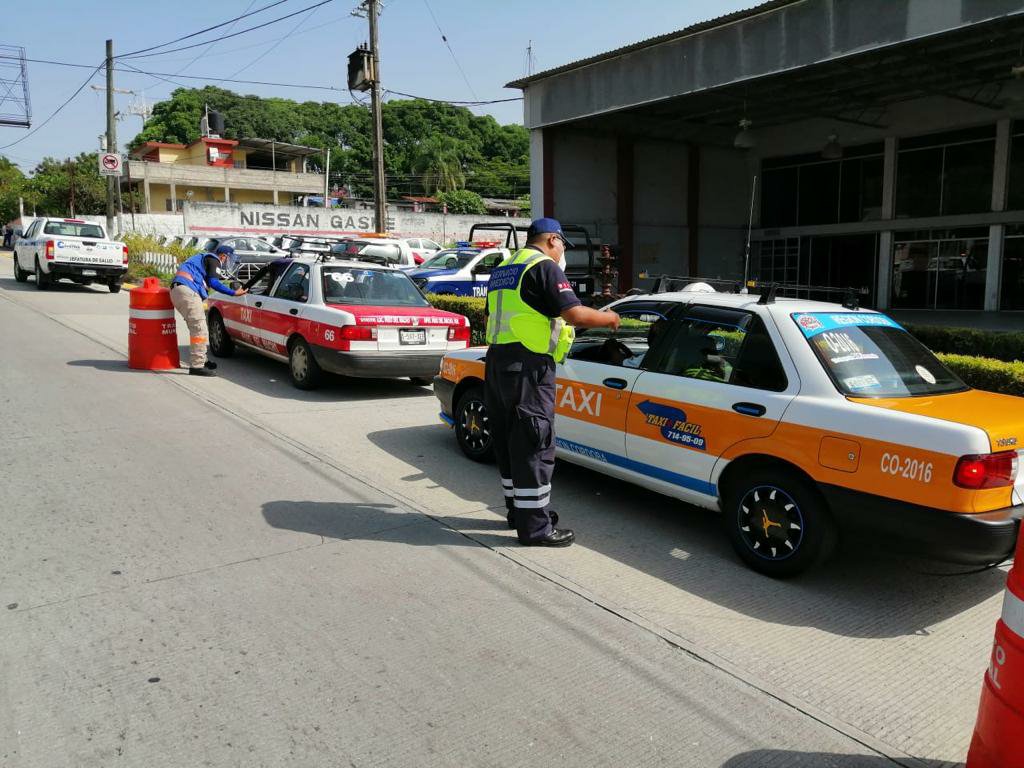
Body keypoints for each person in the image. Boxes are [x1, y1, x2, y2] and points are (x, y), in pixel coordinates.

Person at [485, 217, 620, 548]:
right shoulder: (544, 266)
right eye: (562, 245)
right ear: (552, 240)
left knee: (509, 442)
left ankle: (519, 513)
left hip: (497, 363)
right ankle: (535, 528)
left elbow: (494, 315)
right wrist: (610, 317)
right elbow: (574, 314)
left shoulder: (504, 269)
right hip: (528, 367)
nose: (562, 252)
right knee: (534, 442)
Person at [169, 244, 246, 377]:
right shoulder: (214, 260)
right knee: (199, 329)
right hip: (187, 291)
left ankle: (202, 359)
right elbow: (214, 283)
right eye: (229, 258)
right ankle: (197, 366)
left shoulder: (203, 258)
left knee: (197, 327)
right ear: (223, 256)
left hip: (179, 290)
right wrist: (233, 293)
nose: (228, 262)